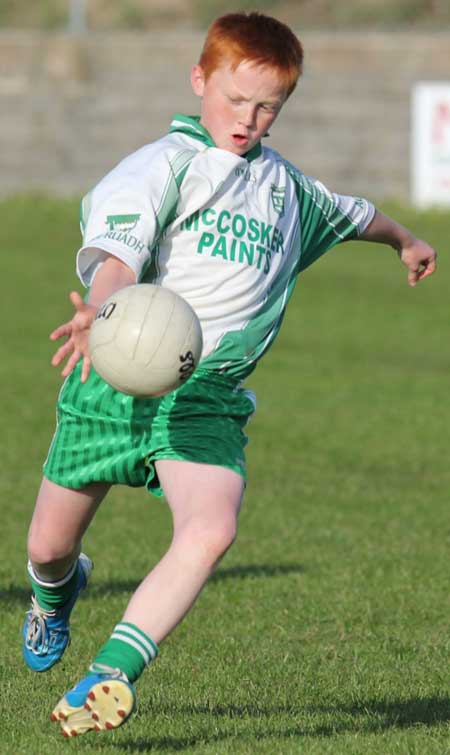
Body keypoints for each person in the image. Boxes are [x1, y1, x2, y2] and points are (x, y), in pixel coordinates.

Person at [22, 12, 437, 738]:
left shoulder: (289, 193)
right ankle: (55, 597)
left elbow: (357, 214)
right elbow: (119, 255)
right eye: (234, 99)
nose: (247, 120)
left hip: (206, 395)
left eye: (267, 105)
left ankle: (112, 670)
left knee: (212, 527)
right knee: (47, 548)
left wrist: (406, 239)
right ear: (199, 79)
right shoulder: (163, 163)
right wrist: (102, 312)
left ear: (284, 104)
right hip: (110, 381)